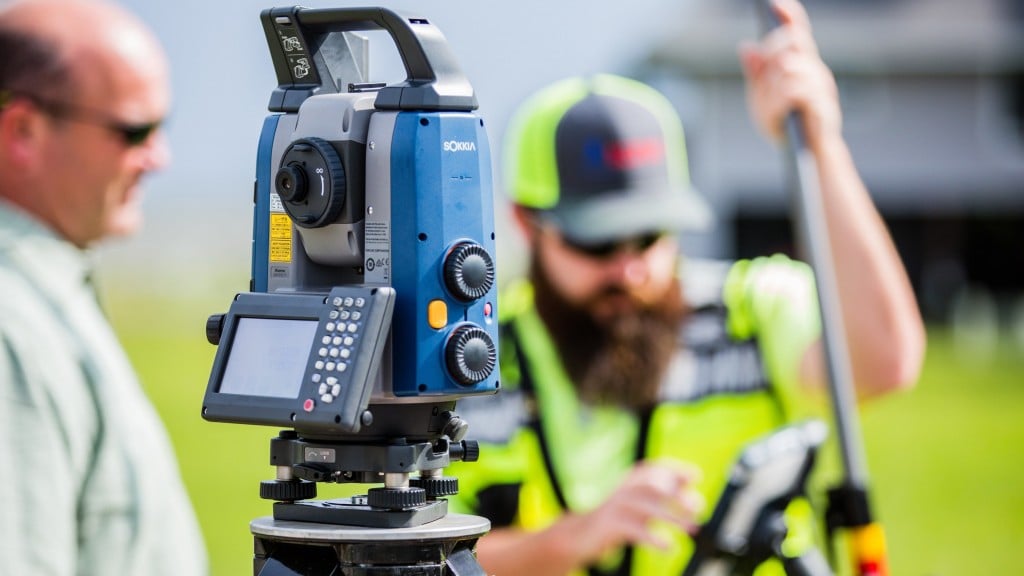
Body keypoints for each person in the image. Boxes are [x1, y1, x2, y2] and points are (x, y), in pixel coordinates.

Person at [447, 0, 926, 574]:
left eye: (650, 235)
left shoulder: (749, 308)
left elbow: (884, 361)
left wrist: (820, 146)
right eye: (596, 244)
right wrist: (575, 537)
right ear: (526, 223)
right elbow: (433, 556)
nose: (630, 270)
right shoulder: (471, 360)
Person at [0, 0, 208, 574]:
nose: (158, 158)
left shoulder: (43, 291)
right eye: (133, 131)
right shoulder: (11, 329)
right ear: (23, 129)